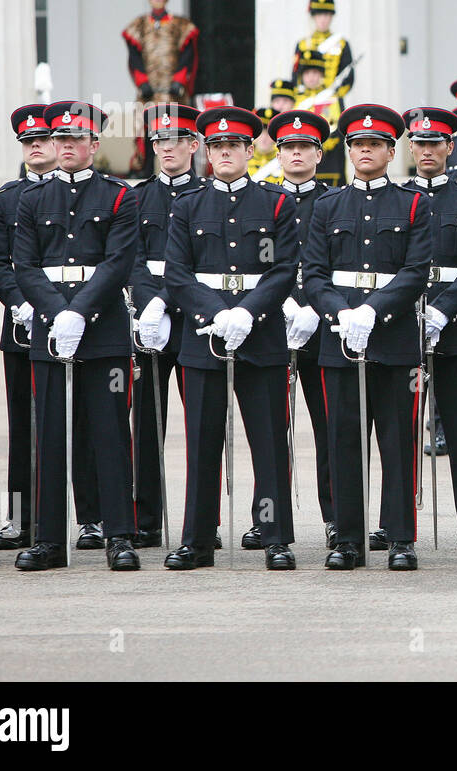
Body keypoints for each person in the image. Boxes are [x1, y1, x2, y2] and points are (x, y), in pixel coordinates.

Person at [163, 107, 298, 571]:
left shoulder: (278, 203)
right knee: (201, 442)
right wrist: (215, 313)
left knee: (269, 441)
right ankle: (198, 540)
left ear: (248, 150)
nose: (225, 153)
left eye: (234, 146)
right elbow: (177, 274)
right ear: (206, 150)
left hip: (260, 335)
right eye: (217, 146)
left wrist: (247, 312)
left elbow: (283, 270)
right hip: (204, 335)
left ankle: (276, 536)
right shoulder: (186, 205)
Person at [301, 103, 431, 571]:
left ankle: (400, 538)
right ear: (348, 150)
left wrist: (372, 311)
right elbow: (314, 275)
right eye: (358, 144)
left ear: (391, 150)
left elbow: (416, 272)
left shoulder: (416, 204)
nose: (365, 151)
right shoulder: (328, 206)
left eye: (375, 144)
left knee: (398, 442)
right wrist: (342, 313)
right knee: (344, 442)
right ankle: (348, 539)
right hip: (340, 340)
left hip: (394, 340)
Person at [13, 101, 140, 571]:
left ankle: (119, 535)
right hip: (51, 331)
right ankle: (49, 540)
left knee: (110, 434)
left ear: (93, 144)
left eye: (75, 138)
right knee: (49, 435)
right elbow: (24, 264)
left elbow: (118, 262)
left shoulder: (118, 197)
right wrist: (55, 312)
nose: (65, 146)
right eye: (59, 138)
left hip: (103, 329)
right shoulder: (32, 198)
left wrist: (79, 313)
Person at [128, 103, 208, 550]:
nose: (167, 148)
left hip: (196, 317)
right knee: (146, 425)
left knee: (203, 423)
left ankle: (205, 521)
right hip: (151, 323)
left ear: (194, 145)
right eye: (160, 140)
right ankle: (145, 519)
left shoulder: (209, 195)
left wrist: (170, 298)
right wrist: (147, 305)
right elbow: (131, 259)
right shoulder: (138, 198)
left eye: (176, 140)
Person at [410, 108, 457, 549]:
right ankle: (398, 521)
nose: (426, 151)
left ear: (449, 147)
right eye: (419, 143)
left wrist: (444, 310)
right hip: (404, 322)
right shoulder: (398, 197)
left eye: (434, 143)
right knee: (401, 431)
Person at [259, 110, 334, 549]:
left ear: (318, 153)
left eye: (305, 147)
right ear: (279, 153)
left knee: (331, 430)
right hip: (273, 323)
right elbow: (259, 263)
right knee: (269, 429)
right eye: (289, 147)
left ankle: (336, 517)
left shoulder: (332, 201)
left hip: (323, 329)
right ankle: (266, 519)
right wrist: (283, 302)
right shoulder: (262, 201)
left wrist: (313, 308)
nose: (296, 154)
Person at [0, 105, 57, 551]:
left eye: (43, 139)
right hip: (25, 324)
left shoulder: (84, 191)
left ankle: (89, 518)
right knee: (24, 426)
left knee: (85, 424)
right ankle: (23, 518)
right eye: (27, 141)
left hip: (76, 317)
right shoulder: (6, 198)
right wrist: (18, 303)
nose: (34, 146)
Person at [122, 0, 199, 177]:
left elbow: (187, 54)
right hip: (149, 90)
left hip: (173, 91)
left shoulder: (180, 25)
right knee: (147, 129)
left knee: (178, 129)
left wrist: (180, 80)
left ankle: (184, 171)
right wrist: (141, 81)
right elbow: (134, 56)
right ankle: (145, 170)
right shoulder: (139, 25)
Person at [291, 0, 354, 107]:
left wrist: (334, 95)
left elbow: (348, 77)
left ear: (331, 16)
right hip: (306, 101)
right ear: (313, 17)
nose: (323, 19)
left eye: (326, 15)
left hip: (331, 101)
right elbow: (295, 77)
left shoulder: (341, 43)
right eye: (319, 15)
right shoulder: (302, 44)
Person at [294, 49, 345, 186]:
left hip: (329, 162)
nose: (311, 77)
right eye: (307, 73)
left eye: (315, 73)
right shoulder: (295, 100)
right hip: (300, 159)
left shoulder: (333, 98)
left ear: (322, 75)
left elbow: (340, 130)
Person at [247, 106, 283, 183]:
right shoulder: (242, 161)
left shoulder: (285, 163)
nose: (264, 138)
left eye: (268, 133)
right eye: (260, 132)